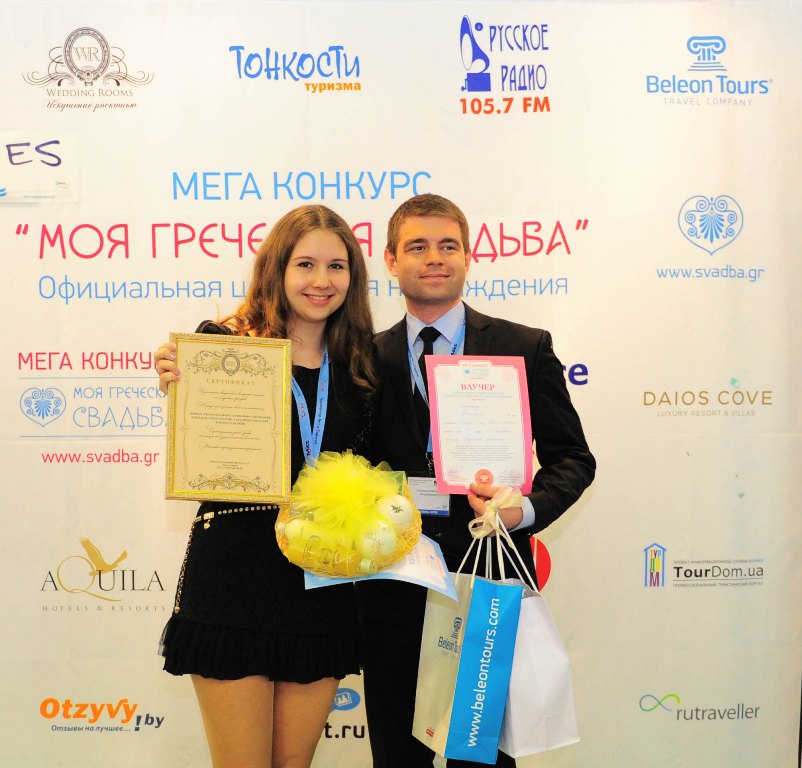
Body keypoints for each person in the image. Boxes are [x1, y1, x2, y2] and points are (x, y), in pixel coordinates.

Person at [357, 193, 596, 768]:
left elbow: (573, 459)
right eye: (417, 246)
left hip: (488, 579)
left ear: (468, 256)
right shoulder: (361, 357)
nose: (434, 258)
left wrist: (521, 511)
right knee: (397, 758)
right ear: (390, 260)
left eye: (448, 246)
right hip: (393, 589)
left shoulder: (524, 347)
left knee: (482, 759)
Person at [153, 205, 376, 768]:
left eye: (337, 266)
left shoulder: (363, 366)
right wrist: (177, 379)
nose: (322, 280)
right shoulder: (221, 349)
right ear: (276, 268)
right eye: (305, 264)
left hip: (321, 583)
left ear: (353, 277)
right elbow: (200, 439)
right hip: (234, 578)